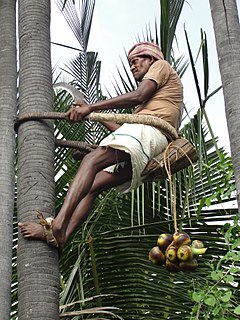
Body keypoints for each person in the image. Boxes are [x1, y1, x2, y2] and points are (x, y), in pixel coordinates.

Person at [18, 41, 183, 248]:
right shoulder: (150, 107)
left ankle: (58, 225)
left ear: (150, 59)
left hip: (152, 135)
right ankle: (62, 236)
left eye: (136, 61)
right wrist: (94, 115)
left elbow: (138, 96)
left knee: (92, 160)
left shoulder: (161, 66)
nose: (132, 67)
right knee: (92, 187)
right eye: (130, 63)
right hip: (149, 147)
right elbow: (123, 133)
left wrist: (90, 107)